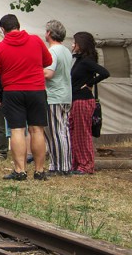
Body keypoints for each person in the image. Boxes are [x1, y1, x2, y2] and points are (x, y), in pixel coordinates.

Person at [0, 14, 52, 181]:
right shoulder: (36, 41)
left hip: (13, 91)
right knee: (37, 130)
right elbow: (48, 60)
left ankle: (20, 170)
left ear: (2, 30)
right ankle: (39, 171)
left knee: (17, 130)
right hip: (36, 90)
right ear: (18, 25)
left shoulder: (0, 48)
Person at [69, 31, 110, 175]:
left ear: (81, 45)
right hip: (75, 99)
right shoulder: (79, 59)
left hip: (83, 100)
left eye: (75, 42)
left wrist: (90, 83)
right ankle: (77, 163)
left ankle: (86, 165)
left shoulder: (87, 61)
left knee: (82, 133)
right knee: (74, 133)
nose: (73, 45)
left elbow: (105, 72)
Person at [43, 20, 73, 175]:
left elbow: (48, 72)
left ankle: (58, 166)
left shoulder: (52, 51)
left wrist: (32, 70)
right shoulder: (66, 50)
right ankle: (66, 164)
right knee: (64, 131)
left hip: (54, 96)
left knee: (54, 132)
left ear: (49, 33)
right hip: (66, 95)